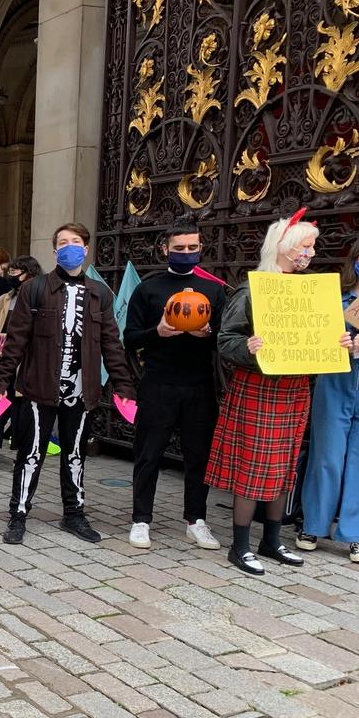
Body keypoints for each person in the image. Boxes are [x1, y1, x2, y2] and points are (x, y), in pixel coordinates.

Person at [206, 213, 352, 575]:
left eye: (312, 246)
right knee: (254, 467)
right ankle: (239, 546)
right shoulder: (252, 289)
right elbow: (226, 341)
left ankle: (271, 540)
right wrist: (248, 346)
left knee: (283, 466)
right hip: (259, 386)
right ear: (285, 247)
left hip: (295, 389)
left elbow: (319, 339)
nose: (311, 253)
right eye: (306, 246)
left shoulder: (309, 291)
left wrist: (340, 344)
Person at [0, 223, 136, 545]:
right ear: (55, 252)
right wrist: (2, 381)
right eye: (62, 243)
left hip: (81, 392)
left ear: (86, 249)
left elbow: (112, 343)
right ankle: (19, 514)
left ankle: (74, 513)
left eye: (76, 242)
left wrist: (124, 387)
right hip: (38, 388)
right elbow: (15, 341)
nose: (70, 247)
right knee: (30, 454)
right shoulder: (35, 289)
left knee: (75, 454)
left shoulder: (100, 294)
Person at [123, 222, 227, 551]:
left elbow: (224, 340)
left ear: (200, 249)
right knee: (148, 454)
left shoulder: (213, 290)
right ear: (165, 249)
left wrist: (208, 334)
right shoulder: (149, 289)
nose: (186, 253)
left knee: (198, 457)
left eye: (192, 248)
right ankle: (141, 520)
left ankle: (196, 521)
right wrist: (158, 332)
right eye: (179, 248)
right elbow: (130, 338)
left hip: (199, 385)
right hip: (159, 384)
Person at [296, 232, 359, 564]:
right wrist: (340, 343)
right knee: (326, 456)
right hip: (335, 385)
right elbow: (312, 341)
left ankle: (356, 535)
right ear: (355, 259)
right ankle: (313, 526)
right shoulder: (334, 300)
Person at [0, 255, 43, 472]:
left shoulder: (40, 297)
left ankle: (21, 458)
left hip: (27, 366)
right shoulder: (6, 298)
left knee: (22, 414)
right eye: (10, 271)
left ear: (29, 273)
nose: (11, 275)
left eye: (16, 271)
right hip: (2, 363)